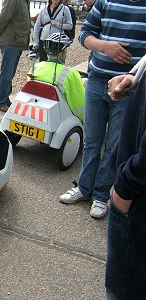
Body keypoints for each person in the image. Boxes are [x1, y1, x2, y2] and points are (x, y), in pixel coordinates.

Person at [59, 0, 146, 219]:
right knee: (91, 141)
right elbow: (84, 34)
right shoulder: (106, 1)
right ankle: (84, 187)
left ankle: (101, 195)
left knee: (114, 145)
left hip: (128, 88)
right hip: (97, 79)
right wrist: (104, 46)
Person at [105, 54, 146, 299]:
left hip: (136, 192)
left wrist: (124, 187)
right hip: (133, 179)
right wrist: (135, 76)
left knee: (123, 288)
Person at [30, 33, 84, 122]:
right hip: (59, 118)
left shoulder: (35, 68)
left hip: (36, 113)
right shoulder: (70, 74)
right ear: (63, 53)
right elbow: (78, 105)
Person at [0, 0, 31, 112]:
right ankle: (0, 102)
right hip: (10, 41)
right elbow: (4, 17)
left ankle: (5, 98)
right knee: (7, 73)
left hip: (17, 41)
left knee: (10, 73)